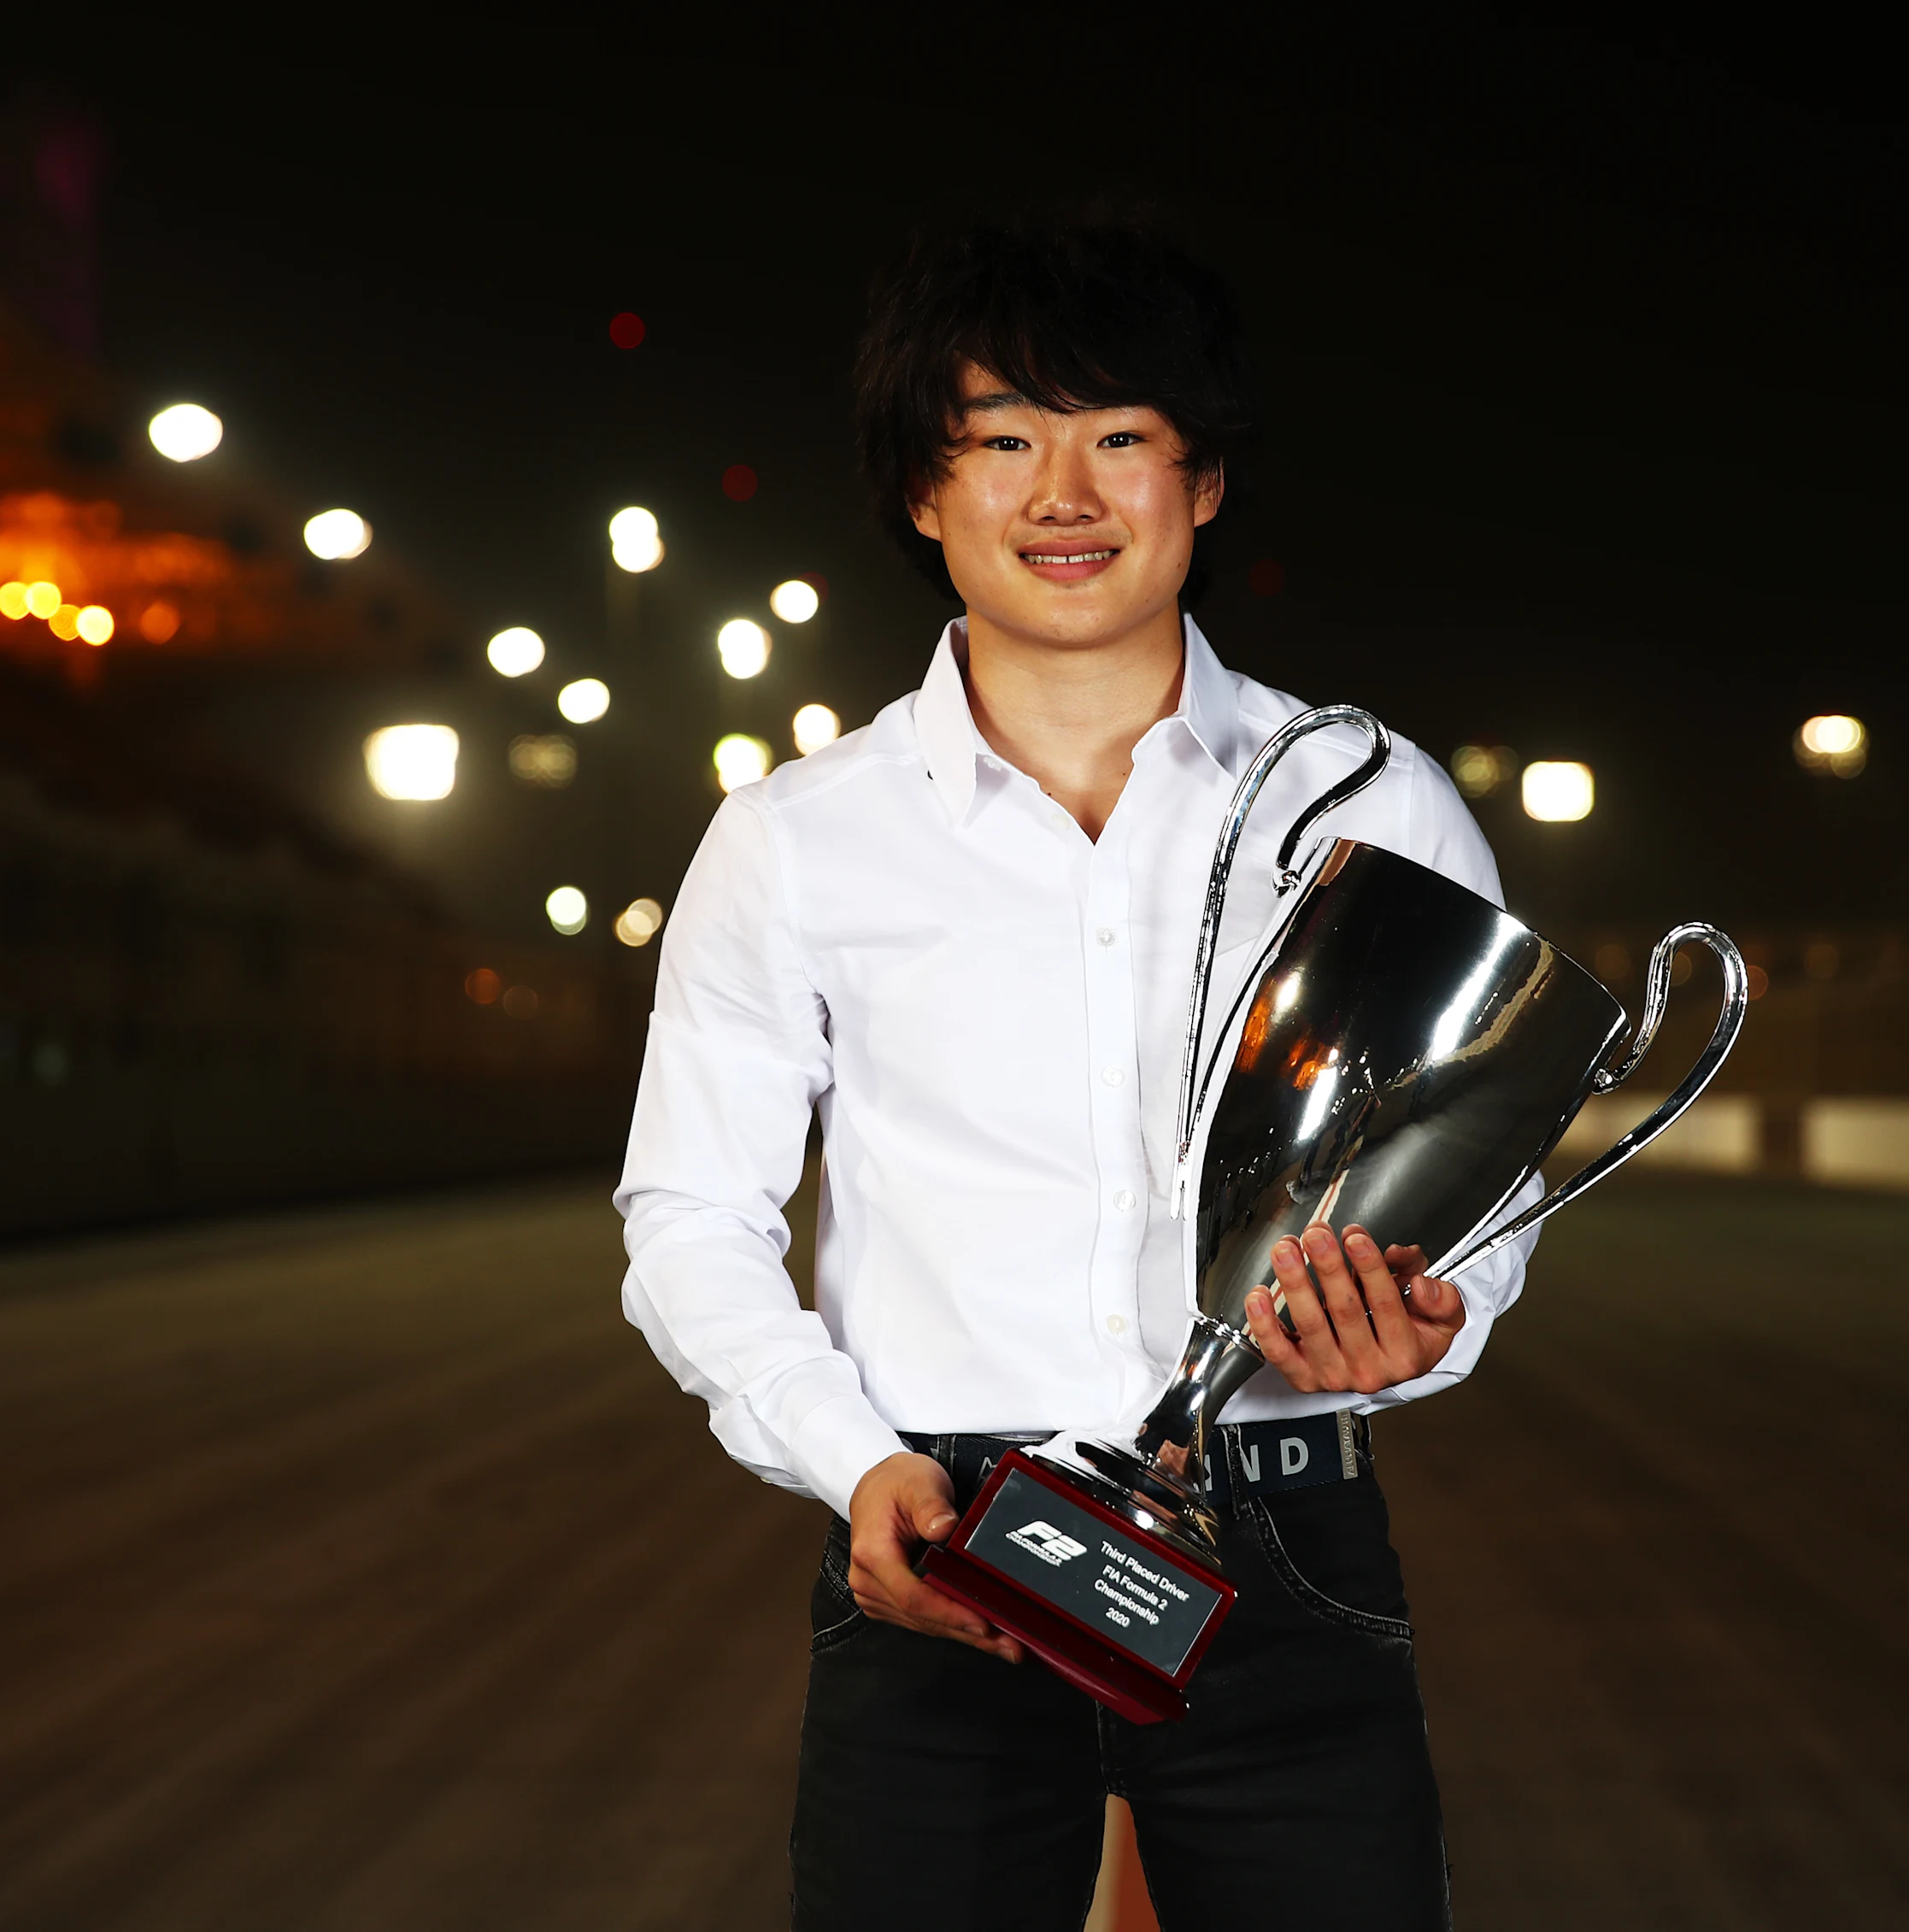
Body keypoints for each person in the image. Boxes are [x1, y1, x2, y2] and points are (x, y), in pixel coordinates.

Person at [618, 220, 1539, 1931]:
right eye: (1001, 438)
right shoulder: (798, 837)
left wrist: (1437, 1317)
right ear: (920, 488)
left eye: (1118, 435)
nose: (1065, 490)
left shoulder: (1363, 795)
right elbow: (688, 1209)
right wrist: (850, 1462)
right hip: (939, 1536)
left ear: (1199, 482)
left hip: (1284, 1550)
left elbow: (1482, 1153)